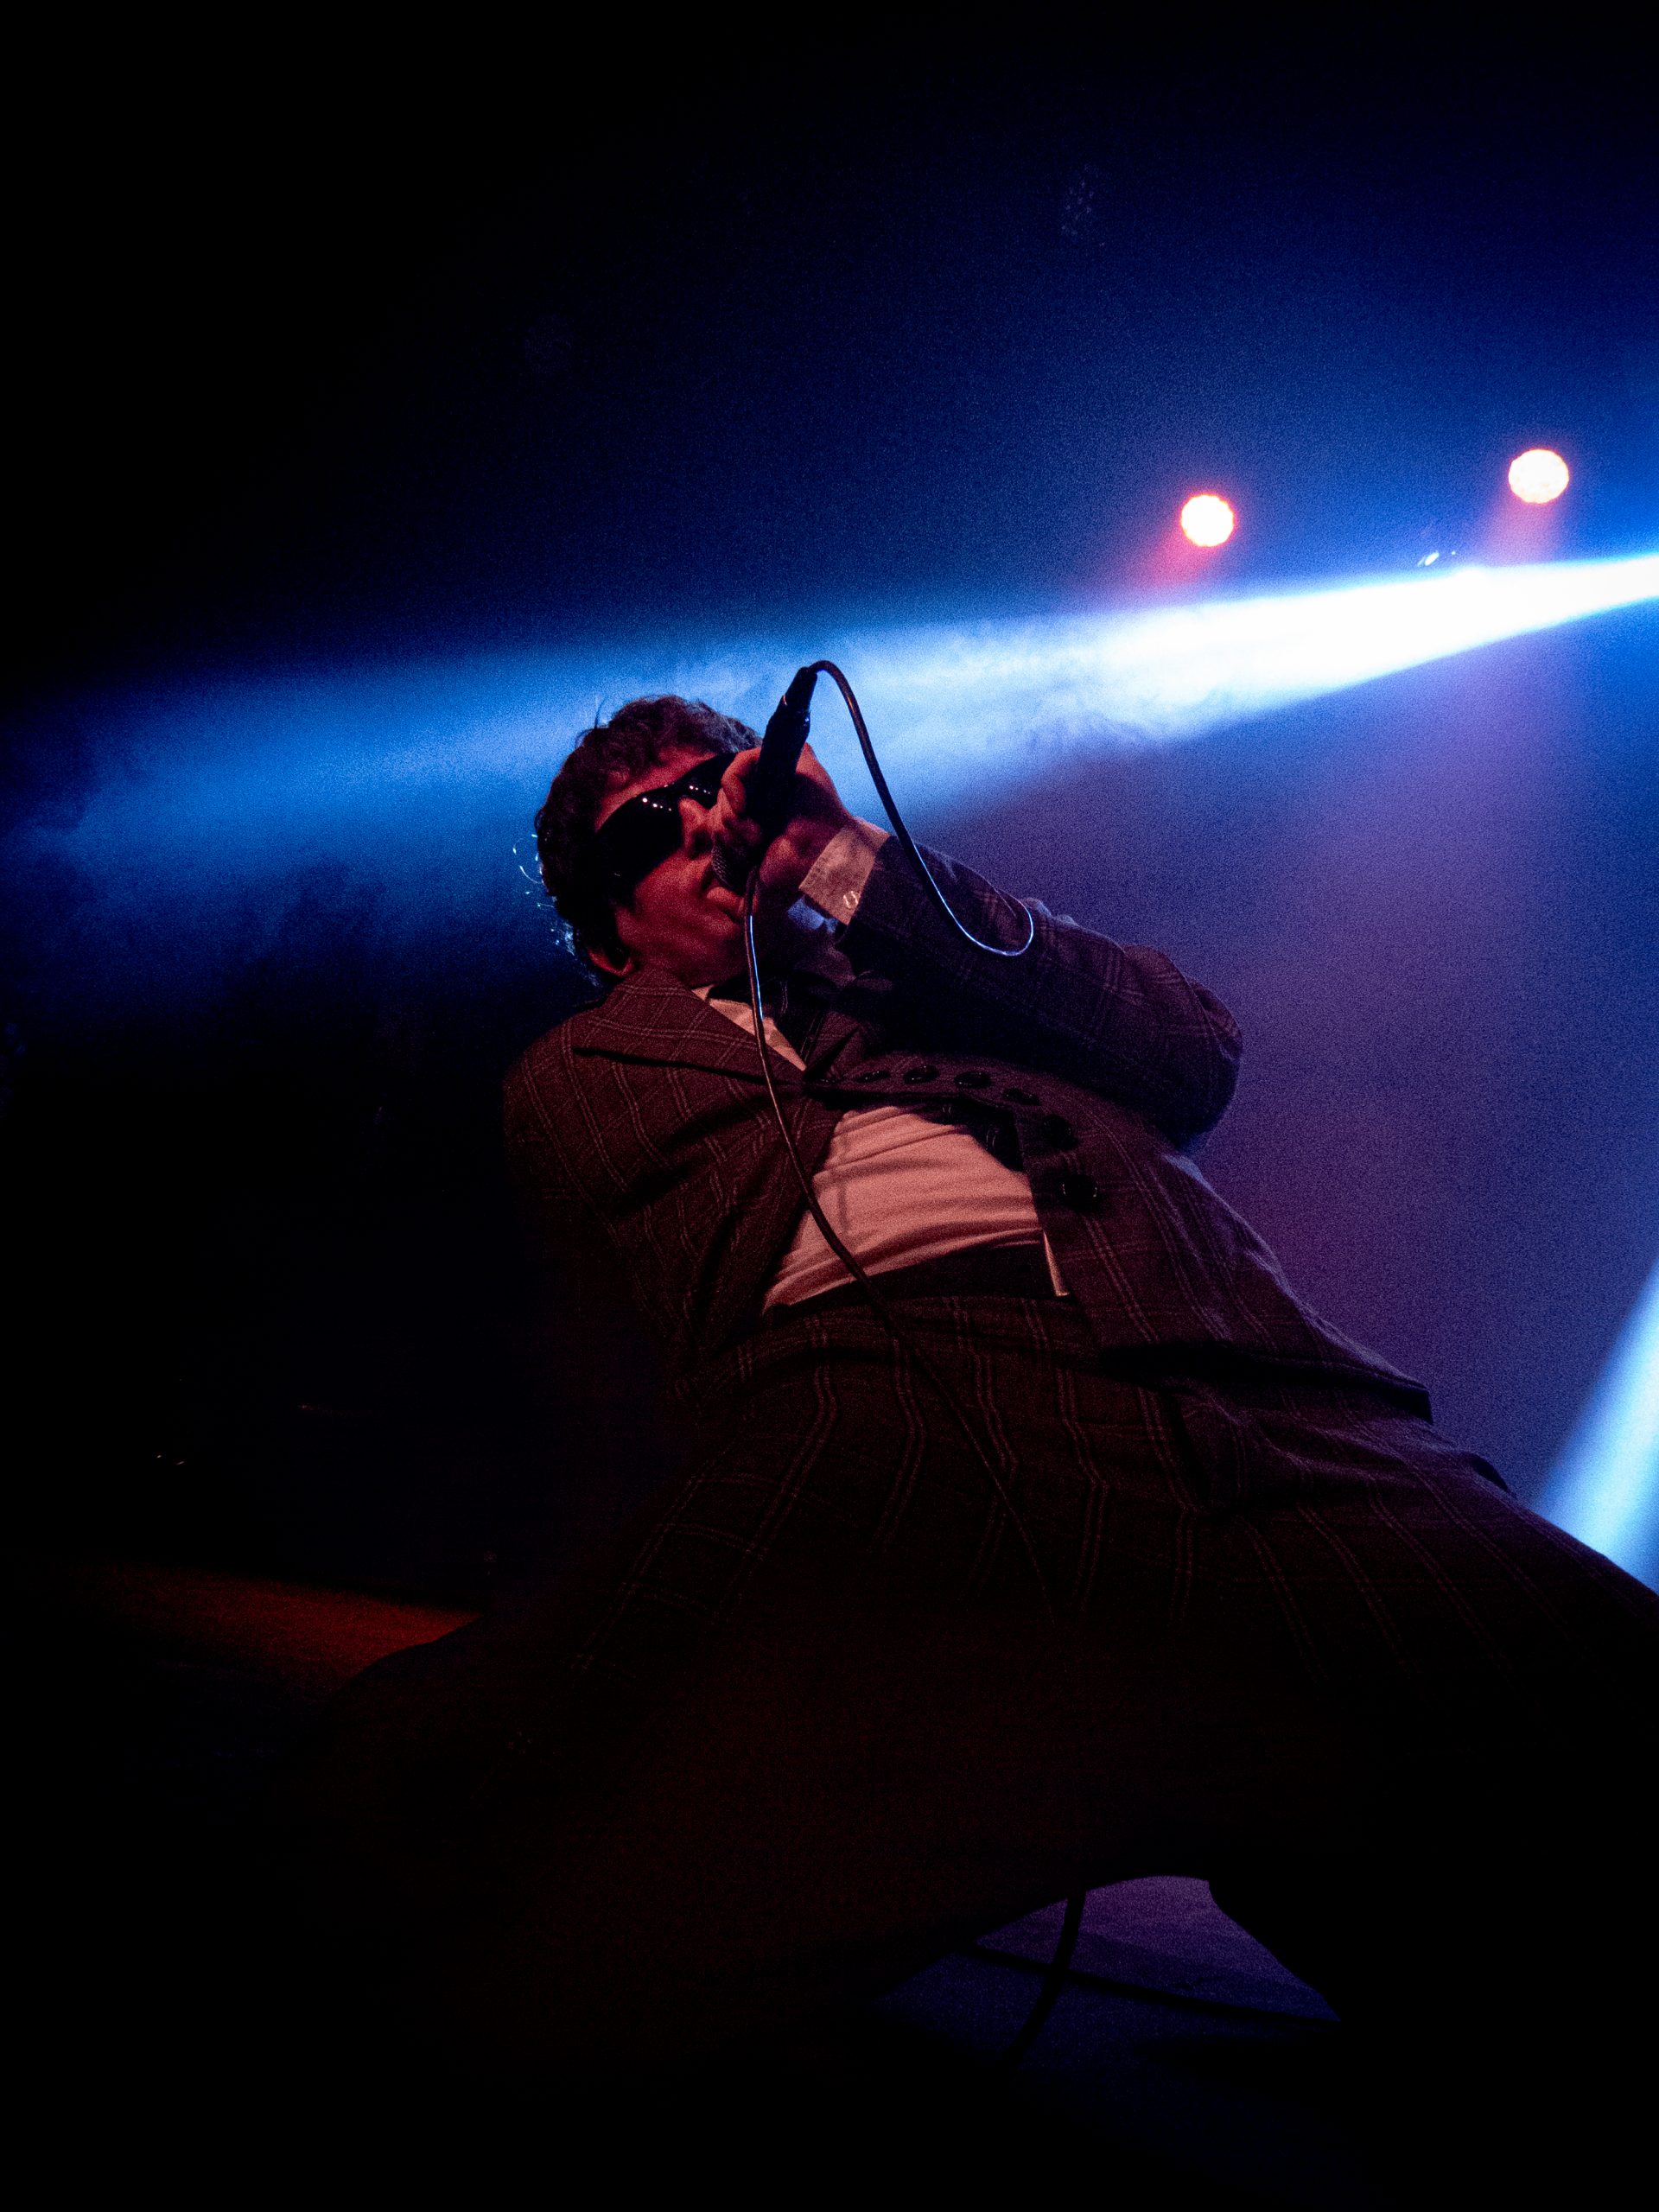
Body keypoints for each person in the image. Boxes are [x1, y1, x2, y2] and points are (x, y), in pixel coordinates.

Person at [283, 694, 1658, 2186]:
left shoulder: (935, 953)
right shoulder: (587, 1067)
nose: (698, 825)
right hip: (889, 1389)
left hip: (1252, 1393)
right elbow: (655, 1308)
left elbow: (1190, 1048)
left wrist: (850, 868)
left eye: (719, 785)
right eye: (644, 833)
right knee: (459, 1861)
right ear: (606, 938)